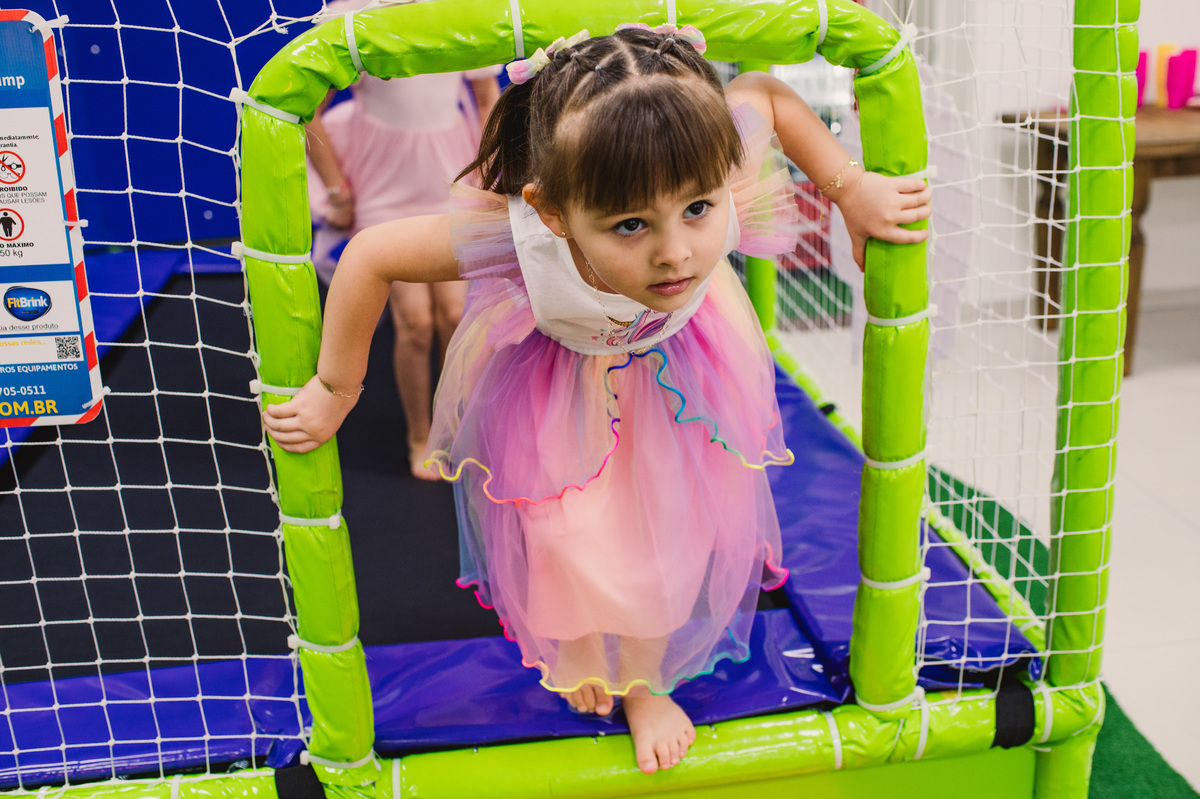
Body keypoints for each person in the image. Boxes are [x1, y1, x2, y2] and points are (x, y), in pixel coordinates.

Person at [267, 24, 930, 776]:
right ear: (552, 211)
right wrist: (337, 388)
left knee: (668, 539)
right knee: (566, 538)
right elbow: (370, 256)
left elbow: (766, 97)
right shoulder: (520, 236)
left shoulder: (706, 156)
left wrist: (849, 189)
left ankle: (643, 683)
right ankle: (584, 644)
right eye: (630, 226)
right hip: (561, 385)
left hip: (678, 378)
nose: (675, 252)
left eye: (698, 209)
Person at [305, 0, 500, 479]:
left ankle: (450, 430)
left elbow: (486, 98)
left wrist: (489, 171)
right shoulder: (356, 13)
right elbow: (308, 110)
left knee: (454, 314)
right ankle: (419, 435)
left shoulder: (459, 10)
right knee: (415, 323)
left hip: (449, 176)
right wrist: (336, 188)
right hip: (384, 184)